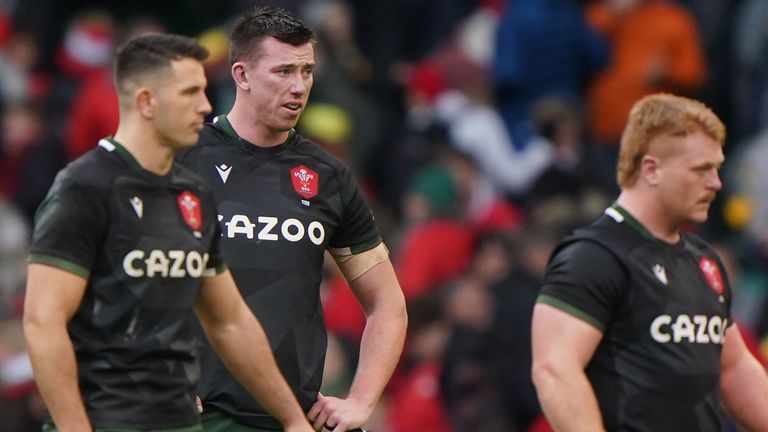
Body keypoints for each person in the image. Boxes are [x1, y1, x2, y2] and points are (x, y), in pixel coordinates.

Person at [22, 34, 314, 432]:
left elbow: (229, 321)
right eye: (190, 92)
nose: (206, 106)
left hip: (179, 420)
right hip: (104, 419)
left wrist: (293, 420)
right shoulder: (84, 188)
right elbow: (43, 321)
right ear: (146, 102)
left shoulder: (191, 194)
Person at [176, 6, 407, 432]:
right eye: (283, 71)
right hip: (201, 417)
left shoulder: (329, 175)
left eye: (306, 71)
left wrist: (360, 401)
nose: (299, 87)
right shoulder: (181, 159)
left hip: (294, 419)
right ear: (242, 75)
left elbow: (387, 303)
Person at [531, 93, 768, 431]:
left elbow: (733, 369)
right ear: (651, 169)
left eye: (716, 168)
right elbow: (555, 368)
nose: (716, 183)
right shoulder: (594, 255)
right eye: (701, 169)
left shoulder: (704, 262)